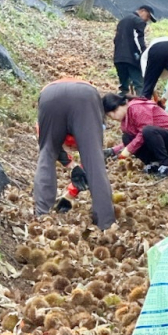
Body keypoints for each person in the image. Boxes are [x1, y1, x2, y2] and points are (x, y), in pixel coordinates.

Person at [35, 80, 116, 229]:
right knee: (94, 161)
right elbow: (92, 156)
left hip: (49, 95)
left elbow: (50, 147)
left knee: (47, 154)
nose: (72, 150)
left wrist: (74, 170)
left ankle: (42, 215)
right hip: (85, 96)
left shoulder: (45, 128)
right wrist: (73, 165)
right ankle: (106, 222)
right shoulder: (90, 122)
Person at [103, 94, 168, 178]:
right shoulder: (125, 119)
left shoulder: (136, 108)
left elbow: (144, 133)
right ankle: (153, 163)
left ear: (120, 106)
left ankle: (166, 166)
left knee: (147, 130)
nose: (113, 117)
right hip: (161, 143)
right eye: (110, 116)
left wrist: (129, 149)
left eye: (113, 113)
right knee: (127, 137)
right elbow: (135, 140)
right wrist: (114, 150)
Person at [113, 6, 157, 96]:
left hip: (118, 58)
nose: (147, 20)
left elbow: (115, 39)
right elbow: (138, 39)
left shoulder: (123, 20)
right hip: (132, 58)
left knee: (123, 87)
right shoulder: (138, 21)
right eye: (148, 16)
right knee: (139, 84)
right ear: (142, 11)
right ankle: (141, 106)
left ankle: (120, 105)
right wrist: (145, 53)